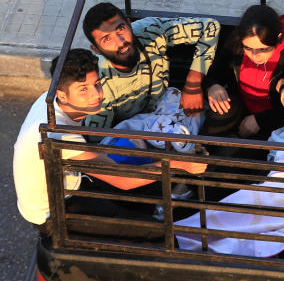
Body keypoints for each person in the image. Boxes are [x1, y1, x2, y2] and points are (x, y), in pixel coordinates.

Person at [13, 49, 208, 233]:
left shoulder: (49, 100)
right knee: (157, 234)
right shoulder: (60, 134)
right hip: (54, 213)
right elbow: (123, 180)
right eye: (83, 89)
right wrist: (180, 164)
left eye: (96, 84)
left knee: (141, 175)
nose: (97, 94)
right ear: (62, 94)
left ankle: (164, 202)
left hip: (71, 181)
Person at [81, 2, 220, 128]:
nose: (120, 42)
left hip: (167, 107)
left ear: (129, 24)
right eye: (107, 39)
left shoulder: (151, 30)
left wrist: (193, 83)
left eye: (121, 29)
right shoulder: (98, 84)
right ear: (96, 49)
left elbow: (210, 27)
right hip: (132, 133)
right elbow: (96, 139)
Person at [203, 4, 284, 139]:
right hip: (241, 106)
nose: (254, 56)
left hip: (277, 120)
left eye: (263, 49)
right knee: (219, 115)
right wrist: (212, 86)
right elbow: (214, 71)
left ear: (278, 38)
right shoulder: (235, 43)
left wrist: (261, 120)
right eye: (248, 48)